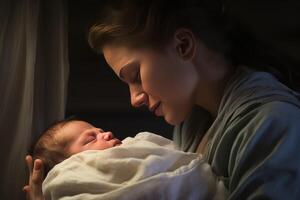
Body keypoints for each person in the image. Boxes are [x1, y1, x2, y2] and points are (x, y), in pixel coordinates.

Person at [24, 0, 300, 199]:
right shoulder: (194, 121)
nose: (135, 99)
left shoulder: (274, 123)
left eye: (135, 75)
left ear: (183, 46)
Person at [28, 119, 227, 200]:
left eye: (100, 130)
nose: (106, 134)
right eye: (91, 138)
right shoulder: (73, 175)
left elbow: (168, 158)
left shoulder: (134, 149)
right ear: (70, 163)